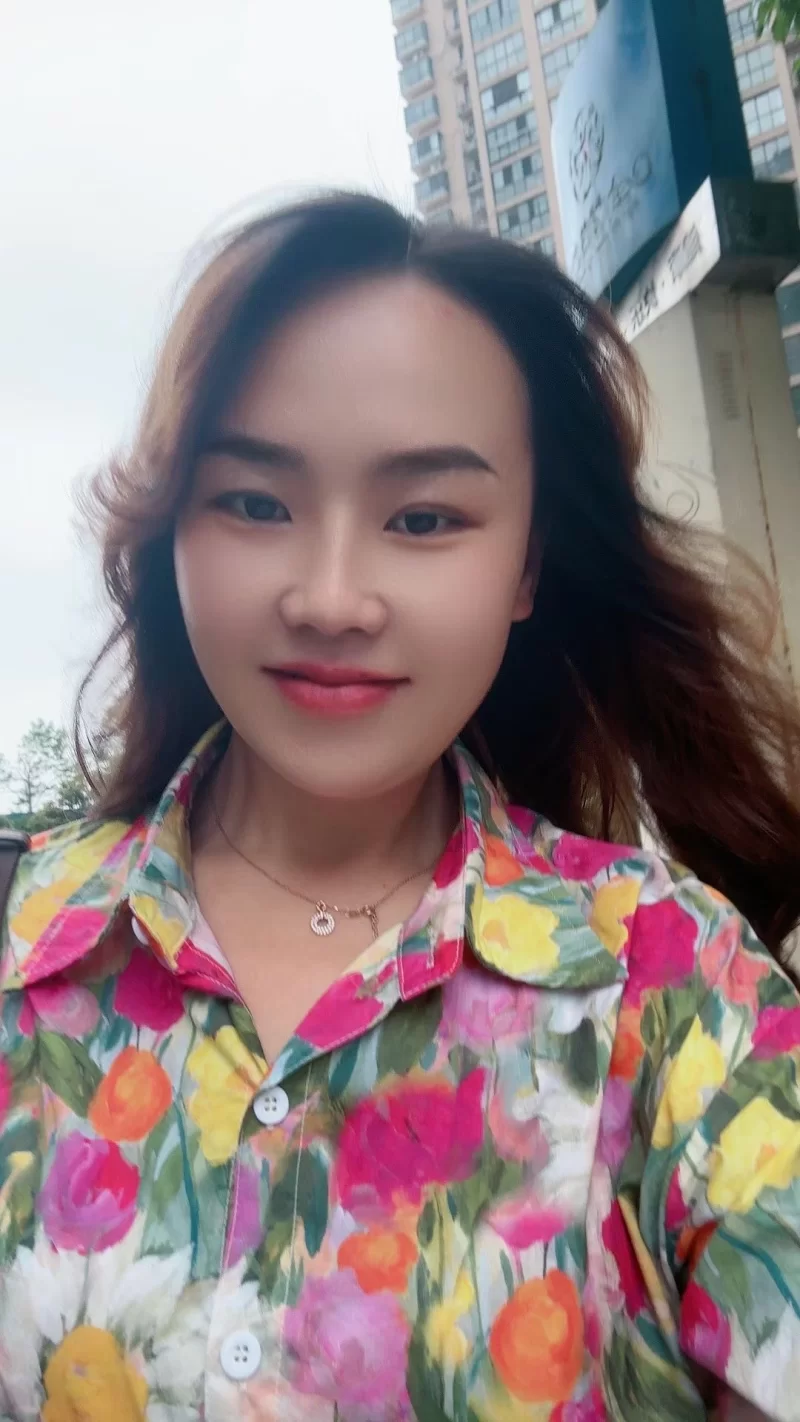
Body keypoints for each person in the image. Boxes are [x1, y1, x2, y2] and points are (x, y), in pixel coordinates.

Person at [1, 192, 799, 1422]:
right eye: (254, 502)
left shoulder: (676, 984)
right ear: (171, 534)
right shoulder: (20, 942)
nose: (330, 599)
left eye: (423, 518)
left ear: (527, 563)